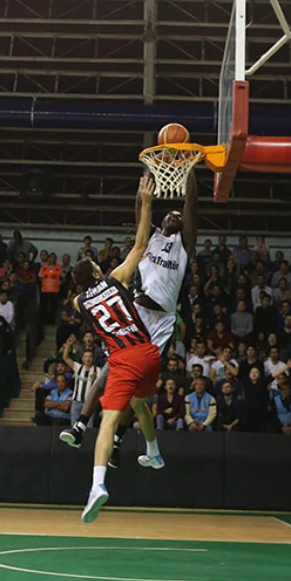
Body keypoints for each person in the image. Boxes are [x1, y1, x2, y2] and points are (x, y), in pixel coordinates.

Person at [60, 170, 197, 460]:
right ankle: (84, 425)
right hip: (136, 313)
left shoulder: (185, 246)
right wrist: (148, 175)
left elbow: (192, 203)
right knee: (112, 371)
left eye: (178, 215)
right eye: (170, 213)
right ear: (161, 222)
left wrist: (189, 168)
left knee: (137, 393)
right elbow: (140, 212)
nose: (175, 215)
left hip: (162, 323)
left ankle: (116, 438)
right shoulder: (151, 239)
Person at [72, 177, 162, 523]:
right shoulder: (115, 278)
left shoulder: (79, 302)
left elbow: (82, 299)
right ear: (98, 270)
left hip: (122, 359)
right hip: (148, 352)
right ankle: (153, 452)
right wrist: (145, 202)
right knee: (140, 404)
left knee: (107, 422)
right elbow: (140, 244)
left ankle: (97, 485)